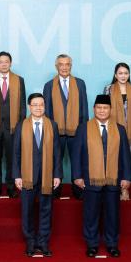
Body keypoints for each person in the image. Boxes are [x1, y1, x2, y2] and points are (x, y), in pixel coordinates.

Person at [72, 95, 131, 258]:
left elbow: (125, 155)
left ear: (110, 110)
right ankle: (92, 244)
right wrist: (77, 176)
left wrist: (126, 177)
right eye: (99, 107)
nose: (102, 110)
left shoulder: (119, 129)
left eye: (105, 108)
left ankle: (112, 244)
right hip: (90, 178)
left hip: (114, 179)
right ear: (94, 109)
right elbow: (76, 154)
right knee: (91, 213)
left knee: (112, 214)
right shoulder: (84, 128)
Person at [13, 93, 62, 257]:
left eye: (41, 104)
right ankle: (30, 241)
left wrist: (57, 175)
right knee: (27, 210)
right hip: (27, 176)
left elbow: (57, 152)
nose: (38, 107)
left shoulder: (52, 125)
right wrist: (17, 176)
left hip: (47, 176)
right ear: (29, 107)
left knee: (46, 209)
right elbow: (16, 153)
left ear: (45, 106)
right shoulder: (21, 125)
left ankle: (43, 242)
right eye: (35, 105)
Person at [43, 54, 88, 199]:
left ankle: (78, 191)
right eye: (61, 64)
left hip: (76, 131)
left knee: (78, 161)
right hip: (56, 132)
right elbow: (47, 110)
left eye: (67, 64)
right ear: (56, 67)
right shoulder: (49, 85)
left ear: (71, 66)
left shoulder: (80, 83)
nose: (64, 67)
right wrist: (49, 130)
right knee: (55, 161)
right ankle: (55, 192)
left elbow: (84, 108)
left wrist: (84, 129)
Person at [0, 51, 26, 198]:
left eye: (6, 61)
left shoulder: (19, 80)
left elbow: (22, 105)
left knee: (11, 159)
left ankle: (10, 187)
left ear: (10, 63)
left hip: (13, 127)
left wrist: (21, 125)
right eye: (0, 62)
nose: (3, 64)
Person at [103, 62, 131, 200]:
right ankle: (112, 189)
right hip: (113, 131)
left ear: (129, 74)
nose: (123, 76)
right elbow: (103, 110)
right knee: (113, 161)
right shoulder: (108, 89)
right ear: (115, 75)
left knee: (126, 162)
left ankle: (125, 190)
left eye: (126, 73)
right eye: (120, 73)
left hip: (130, 133)